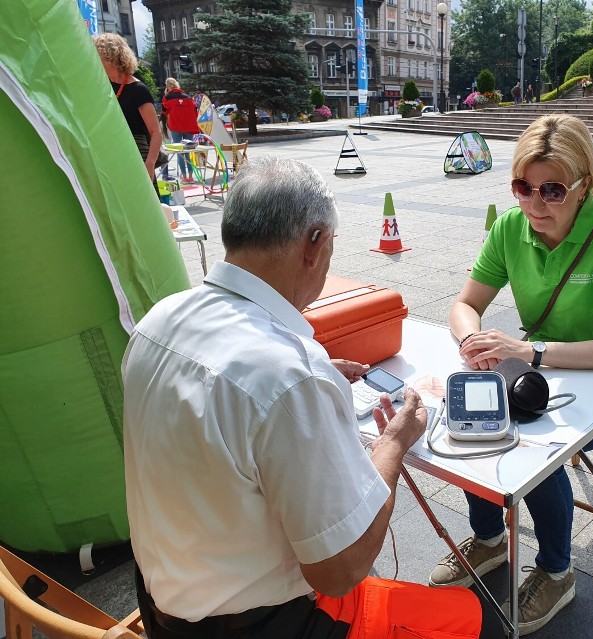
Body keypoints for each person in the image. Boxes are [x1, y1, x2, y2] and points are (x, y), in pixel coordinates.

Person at [122, 156, 491, 639]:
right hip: (264, 624)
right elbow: (340, 572)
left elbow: (222, 412)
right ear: (315, 244)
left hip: (161, 602)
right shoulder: (289, 376)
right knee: (468, 614)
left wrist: (306, 384)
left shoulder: (158, 321)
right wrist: (394, 444)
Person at [428, 114, 593, 636]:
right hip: (549, 371)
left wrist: (528, 351)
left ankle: (557, 571)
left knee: (534, 445)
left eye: (553, 190)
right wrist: (471, 340)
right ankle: (490, 541)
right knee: (477, 412)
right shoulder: (511, 227)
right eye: (522, 187)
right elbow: (466, 303)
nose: (535, 204)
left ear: (584, 186)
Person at [93, 33, 162, 190]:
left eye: (97, 55)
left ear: (111, 57)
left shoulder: (138, 89)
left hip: (137, 152)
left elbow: (156, 132)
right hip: (113, 152)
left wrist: (150, 163)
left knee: (144, 202)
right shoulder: (103, 86)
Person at [161, 77, 200, 183]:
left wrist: (165, 95)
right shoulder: (187, 97)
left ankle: (184, 177)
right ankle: (191, 177)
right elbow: (195, 111)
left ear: (167, 86)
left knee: (180, 152)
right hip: (189, 127)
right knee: (188, 152)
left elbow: (164, 111)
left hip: (175, 127)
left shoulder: (168, 98)